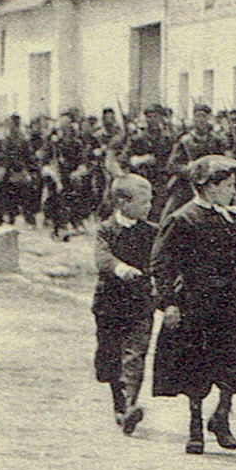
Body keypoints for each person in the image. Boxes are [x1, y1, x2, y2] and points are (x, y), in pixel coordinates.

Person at [150, 155, 236, 454]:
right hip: (196, 304)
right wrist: (169, 302)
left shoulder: (232, 221)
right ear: (208, 187)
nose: (234, 191)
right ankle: (195, 427)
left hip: (232, 305)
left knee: (233, 362)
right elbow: (161, 262)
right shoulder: (182, 219)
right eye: (229, 185)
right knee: (196, 366)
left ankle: (222, 416)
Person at [92, 174, 157, 436]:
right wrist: (120, 268)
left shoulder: (152, 232)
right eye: (143, 202)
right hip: (109, 303)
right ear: (122, 203)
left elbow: (160, 260)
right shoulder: (105, 229)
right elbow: (102, 257)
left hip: (140, 303)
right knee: (109, 355)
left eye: (150, 201)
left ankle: (130, 405)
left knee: (136, 354)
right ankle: (118, 404)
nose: (149, 206)